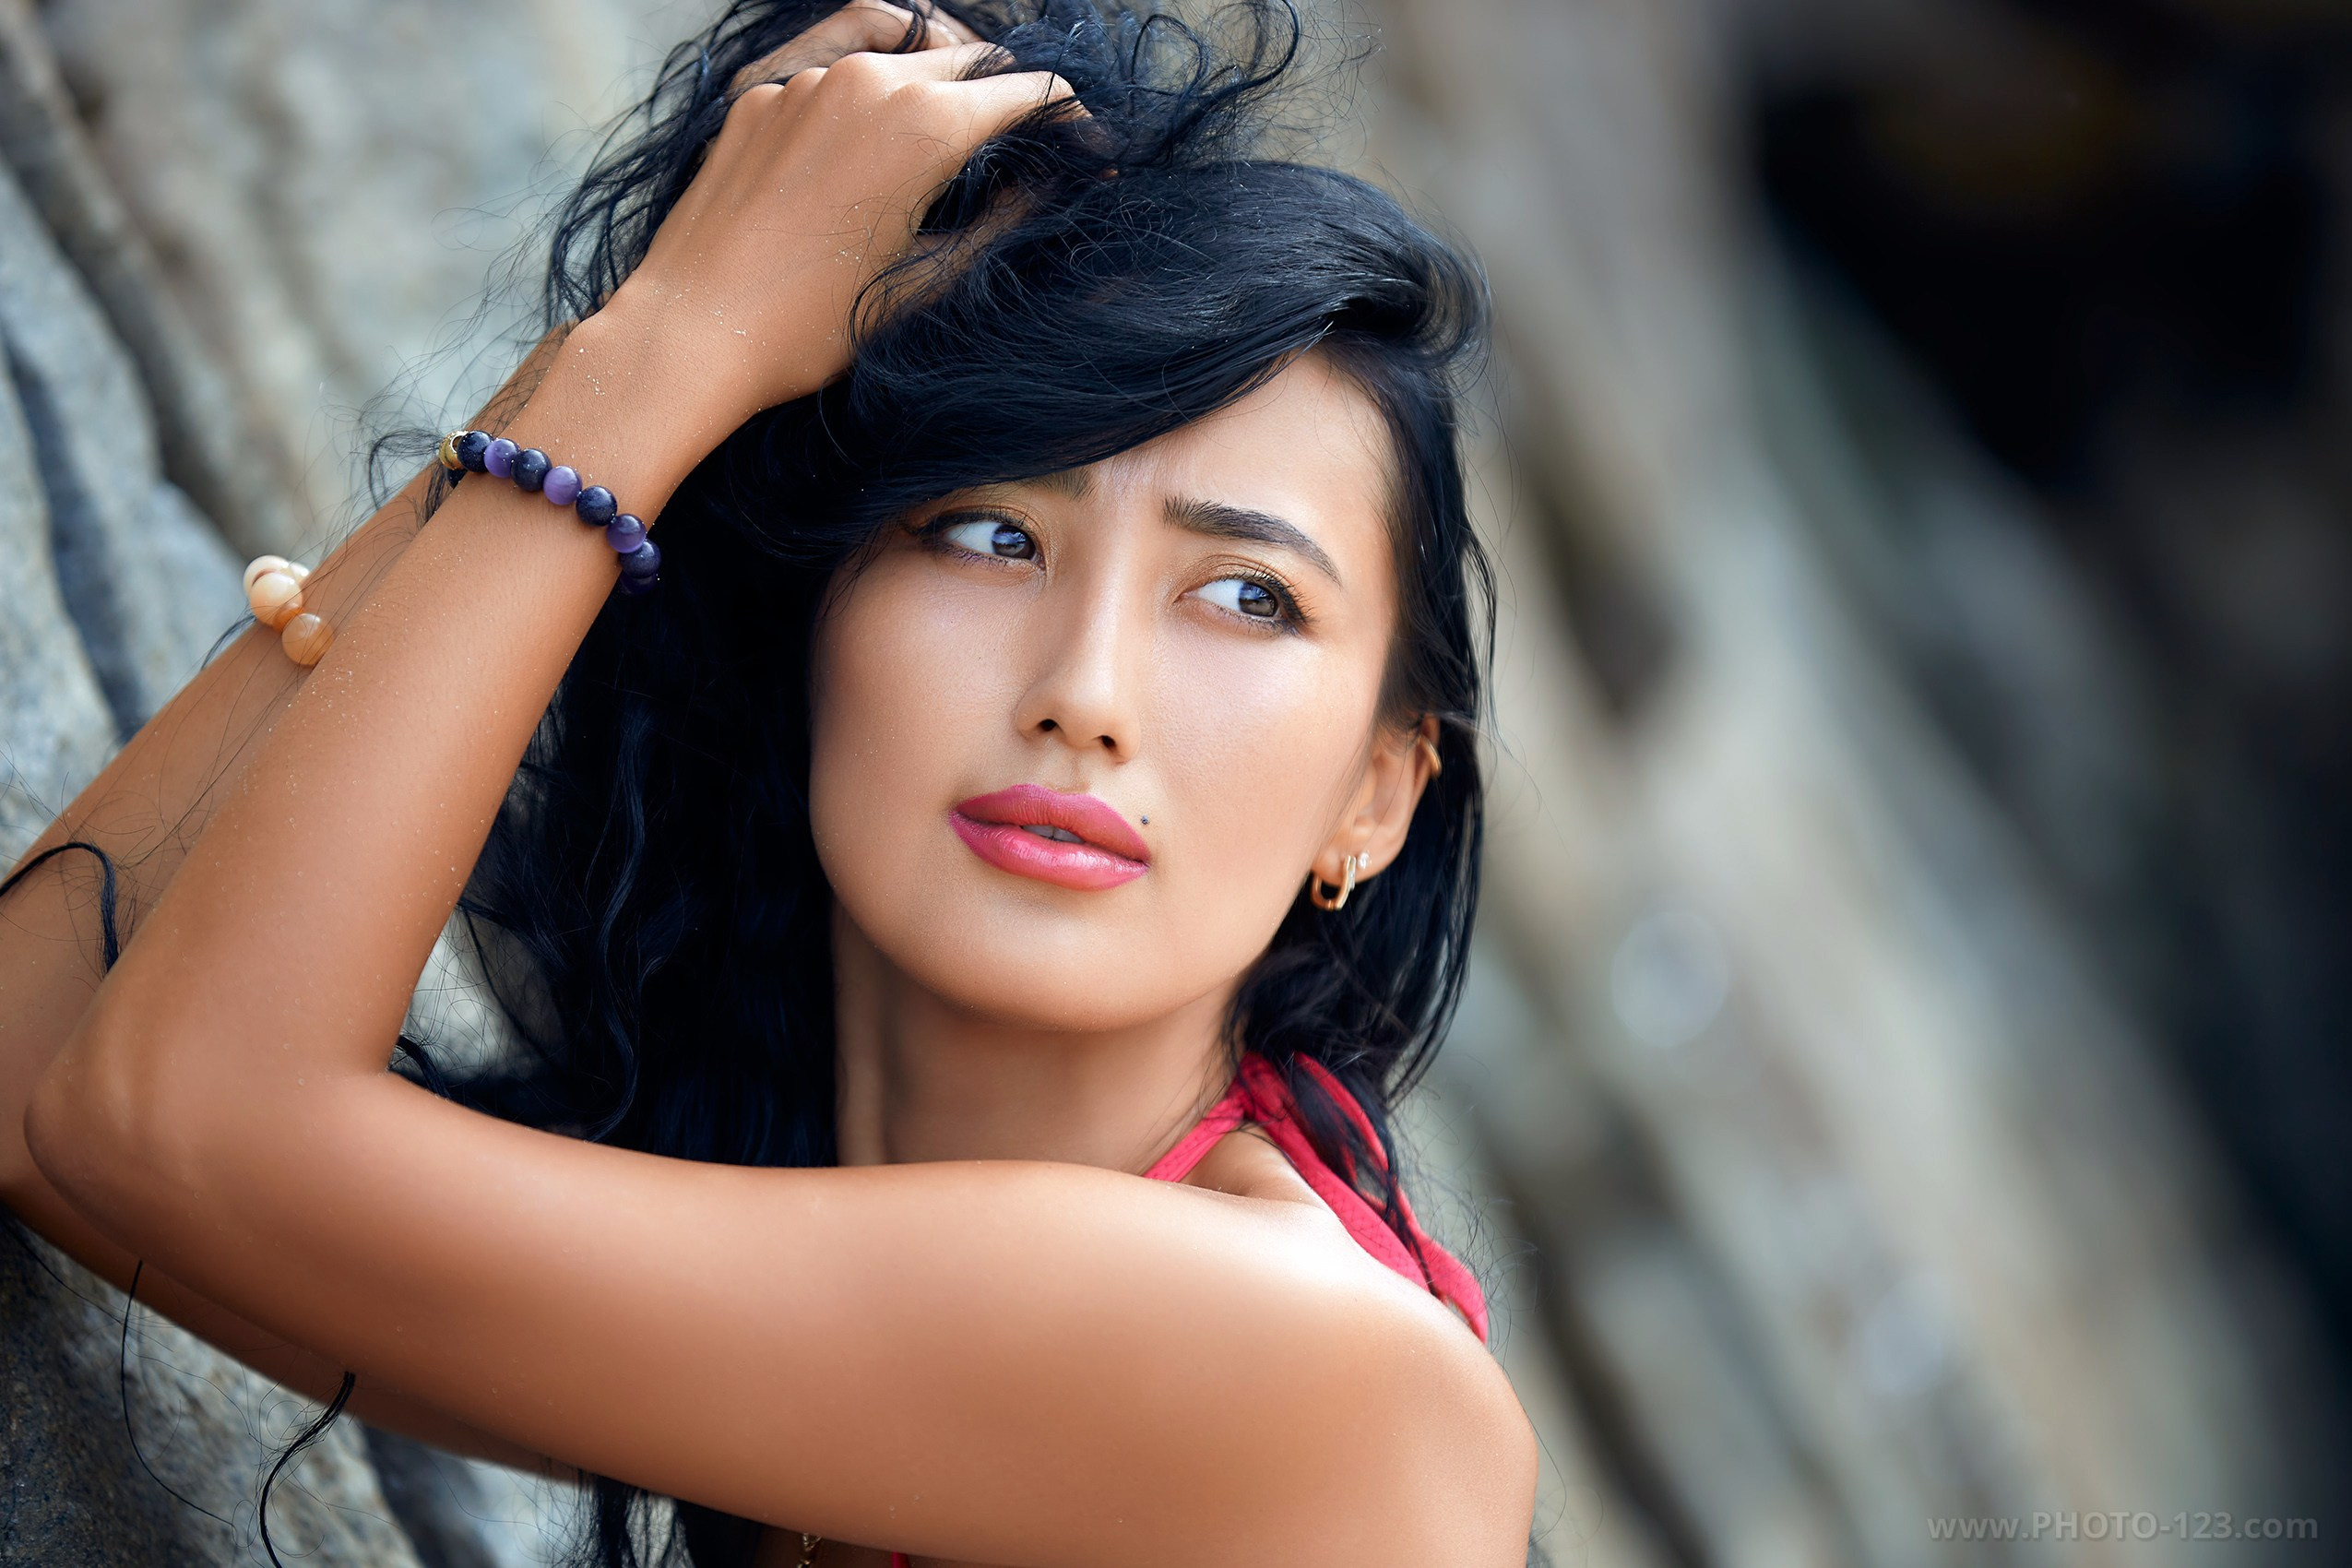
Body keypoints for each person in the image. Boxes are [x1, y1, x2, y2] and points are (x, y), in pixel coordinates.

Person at [0, 1, 1537, 1562]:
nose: (1084, 695)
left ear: (1379, 796)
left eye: (1246, 597)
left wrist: (669, 348)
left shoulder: (1301, 1363)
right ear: (809, 621)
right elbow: (39, 1077)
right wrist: (625, 361)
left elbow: (171, 1120)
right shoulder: (816, 1252)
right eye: (989, 532)